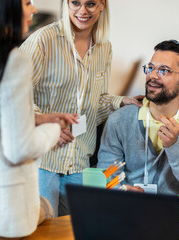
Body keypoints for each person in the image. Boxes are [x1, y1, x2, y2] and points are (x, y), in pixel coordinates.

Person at [20, 0, 141, 217]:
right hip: (42, 159)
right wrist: (47, 127)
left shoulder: (105, 48)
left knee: (78, 229)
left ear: (102, 5)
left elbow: (94, 104)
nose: (82, 11)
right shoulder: (43, 40)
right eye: (75, 3)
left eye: (91, 4)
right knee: (43, 231)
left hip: (79, 161)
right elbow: (18, 96)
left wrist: (121, 101)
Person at [0, 0, 77, 238]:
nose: (34, 10)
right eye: (27, 2)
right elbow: (20, 148)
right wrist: (53, 128)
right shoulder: (13, 60)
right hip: (3, 214)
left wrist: (36, 118)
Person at [97, 40, 179, 196]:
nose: (152, 75)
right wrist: (121, 191)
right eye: (150, 68)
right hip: (130, 209)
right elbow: (106, 178)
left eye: (164, 70)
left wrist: (174, 146)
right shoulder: (120, 119)